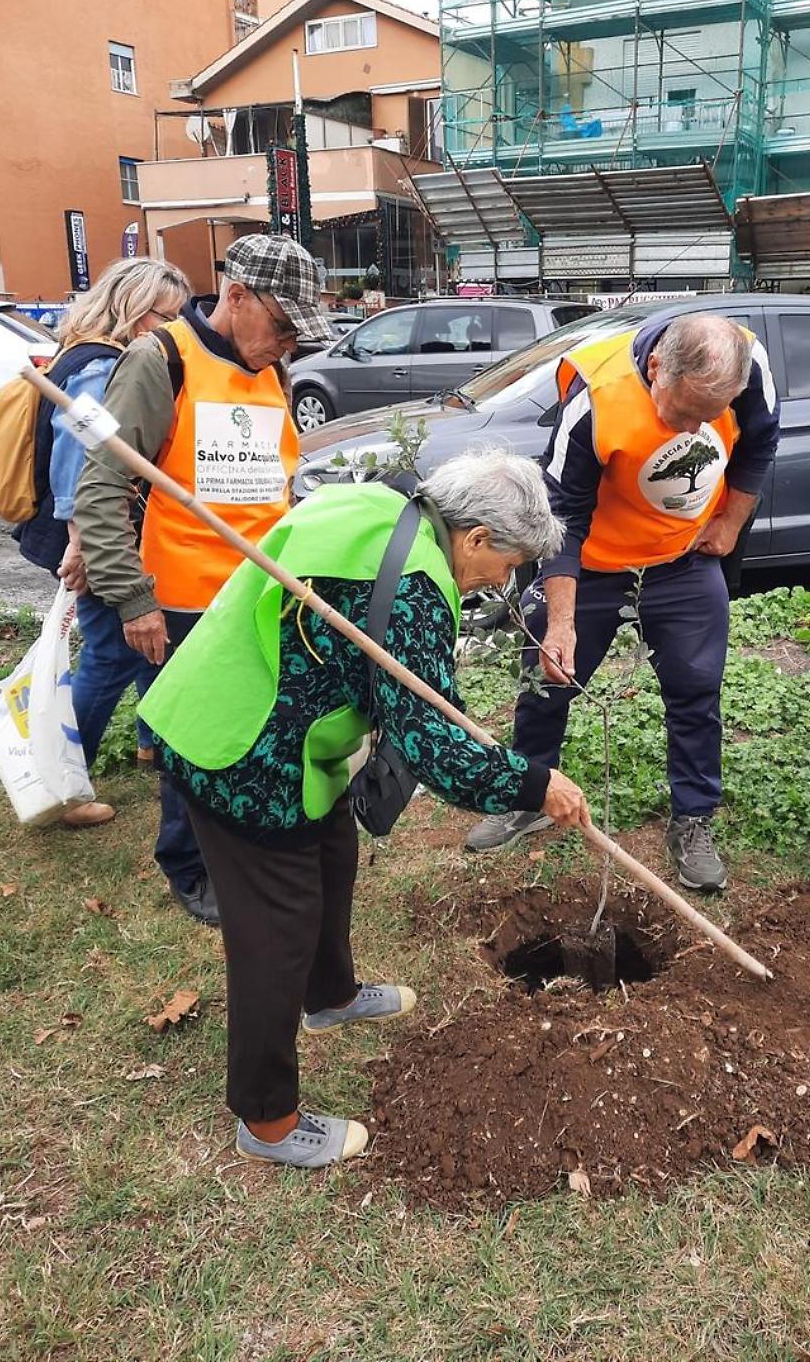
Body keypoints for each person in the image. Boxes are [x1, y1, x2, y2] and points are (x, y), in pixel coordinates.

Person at [138, 450, 590, 1169]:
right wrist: (538, 785)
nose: (502, 580)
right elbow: (435, 749)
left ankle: (331, 996)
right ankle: (267, 1120)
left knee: (332, 855)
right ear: (475, 537)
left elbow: (413, 692)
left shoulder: (389, 505)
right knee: (276, 928)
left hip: (280, 720)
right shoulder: (414, 588)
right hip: (241, 747)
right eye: (507, 564)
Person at [466, 312, 780, 893]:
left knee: (696, 690)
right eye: (682, 413)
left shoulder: (749, 366)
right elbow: (562, 516)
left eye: (707, 416)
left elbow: (760, 444)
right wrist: (561, 623)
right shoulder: (596, 400)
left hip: (684, 559)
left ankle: (693, 819)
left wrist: (732, 522)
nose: (692, 430)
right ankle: (529, 797)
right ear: (656, 368)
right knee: (547, 680)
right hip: (594, 565)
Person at [75, 234, 325, 925]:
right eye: (283, 326)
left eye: (297, 334)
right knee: (190, 738)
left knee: (251, 726)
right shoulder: (161, 360)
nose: (289, 344)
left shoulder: (273, 370)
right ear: (236, 296)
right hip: (183, 600)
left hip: (261, 591)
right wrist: (134, 599)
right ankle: (188, 866)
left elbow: (277, 486)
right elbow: (102, 489)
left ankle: (238, 837)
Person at [15, 257, 190, 827]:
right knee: (112, 652)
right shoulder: (101, 368)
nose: (173, 331)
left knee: (148, 644)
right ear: (135, 310)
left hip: (95, 535)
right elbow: (81, 464)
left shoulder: (78, 353)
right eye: (166, 317)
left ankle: (152, 743)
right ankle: (63, 785)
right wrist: (85, 546)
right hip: (93, 538)